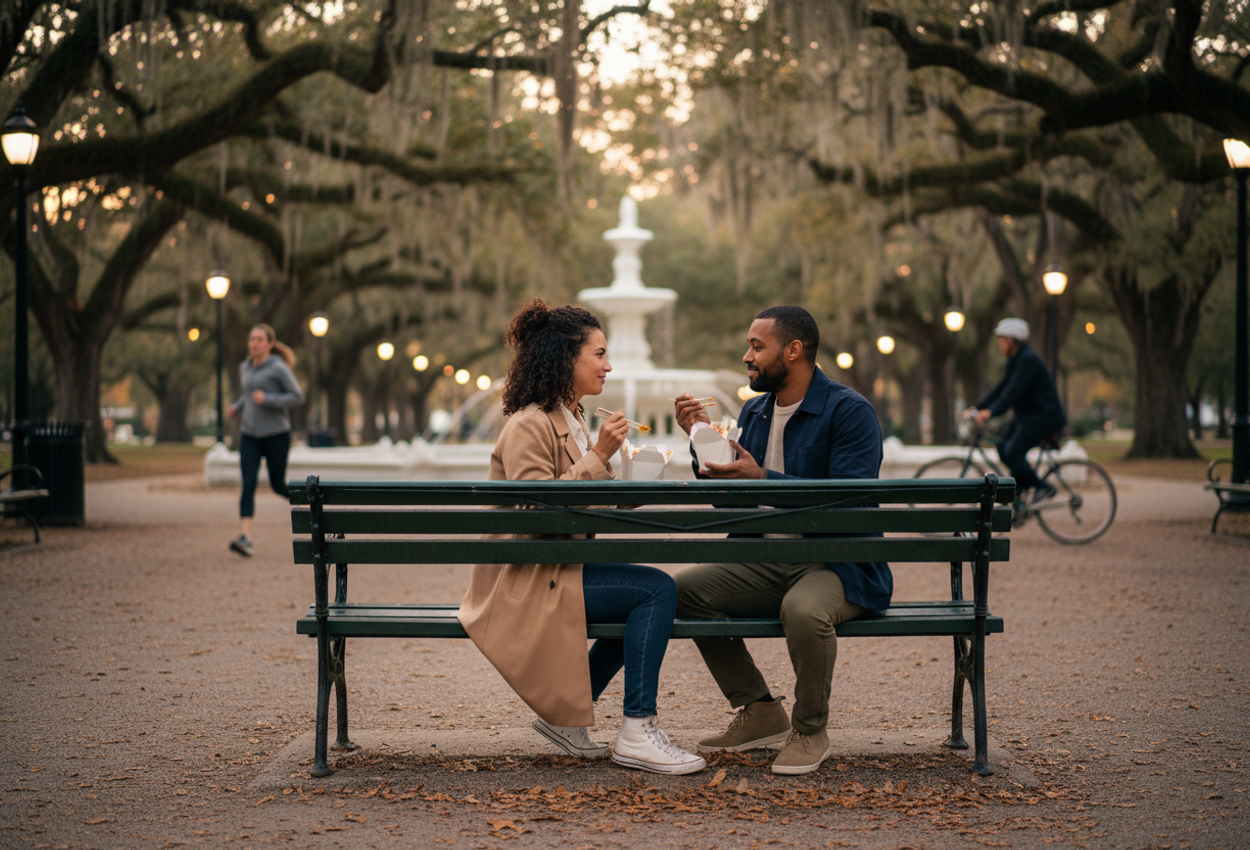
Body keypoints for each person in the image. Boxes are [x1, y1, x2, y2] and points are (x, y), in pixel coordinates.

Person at [458, 299, 705, 776]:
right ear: (565, 360)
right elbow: (537, 514)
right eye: (599, 354)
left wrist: (635, 479)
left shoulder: (567, 419)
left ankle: (565, 719)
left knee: (639, 595)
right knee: (655, 591)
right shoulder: (531, 423)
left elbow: (584, 499)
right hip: (526, 581)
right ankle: (637, 730)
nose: (609, 366)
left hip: (553, 569)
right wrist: (600, 457)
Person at [671, 305, 892, 776]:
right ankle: (760, 709)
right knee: (681, 590)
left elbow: (848, 506)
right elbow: (733, 506)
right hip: (767, 557)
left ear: (793, 351)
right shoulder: (755, 410)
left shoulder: (849, 411)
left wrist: (765, 477)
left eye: (757, 346)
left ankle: (810, 729)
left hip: (837, 562)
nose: (747, 356)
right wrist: (700, 442)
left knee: (804, 610)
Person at [226, 324, 305, 557]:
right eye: (252, 339)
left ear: (270, 343)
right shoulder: (245, 367)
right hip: (249, 434)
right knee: (248, 483)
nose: (254, 343)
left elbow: (297, 396)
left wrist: (268, 398)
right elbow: (249, 394)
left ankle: (313, 505)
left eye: (259, 339)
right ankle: (246, 538)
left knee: (277, 485)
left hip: (276, 435)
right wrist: (238, 407)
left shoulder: (278, 367)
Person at [972, 318, 1067, 504]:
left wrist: (991, 413)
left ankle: (1043, 488)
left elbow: (1013, 392)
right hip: (1028, 417)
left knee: (1013, 451)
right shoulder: (1016, 361)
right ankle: (1021, 487)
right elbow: (1002, 388)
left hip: (1043, 417)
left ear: (1011, 340)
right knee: (1002, 446)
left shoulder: (1028, 360)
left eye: (1001, 339)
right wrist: (980, 407)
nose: (999, 343)